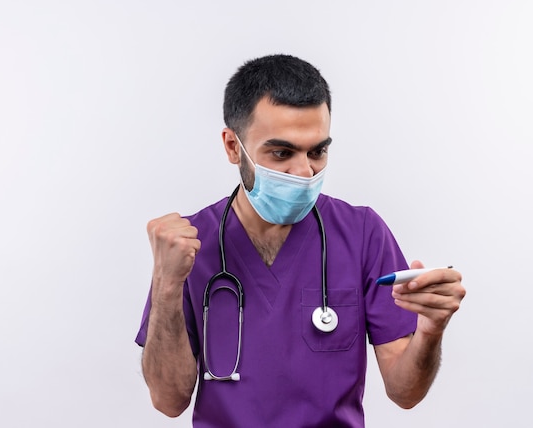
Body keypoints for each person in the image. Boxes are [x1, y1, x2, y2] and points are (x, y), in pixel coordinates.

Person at [135, 54, 466, 427]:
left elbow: (405, 393)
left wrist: (430, 330)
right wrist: (166, 284)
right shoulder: (189, 246)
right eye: (281, 153)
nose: (304, 172)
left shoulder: (362, 233)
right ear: (232, 147)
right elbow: (168, 400)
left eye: (317, 151)